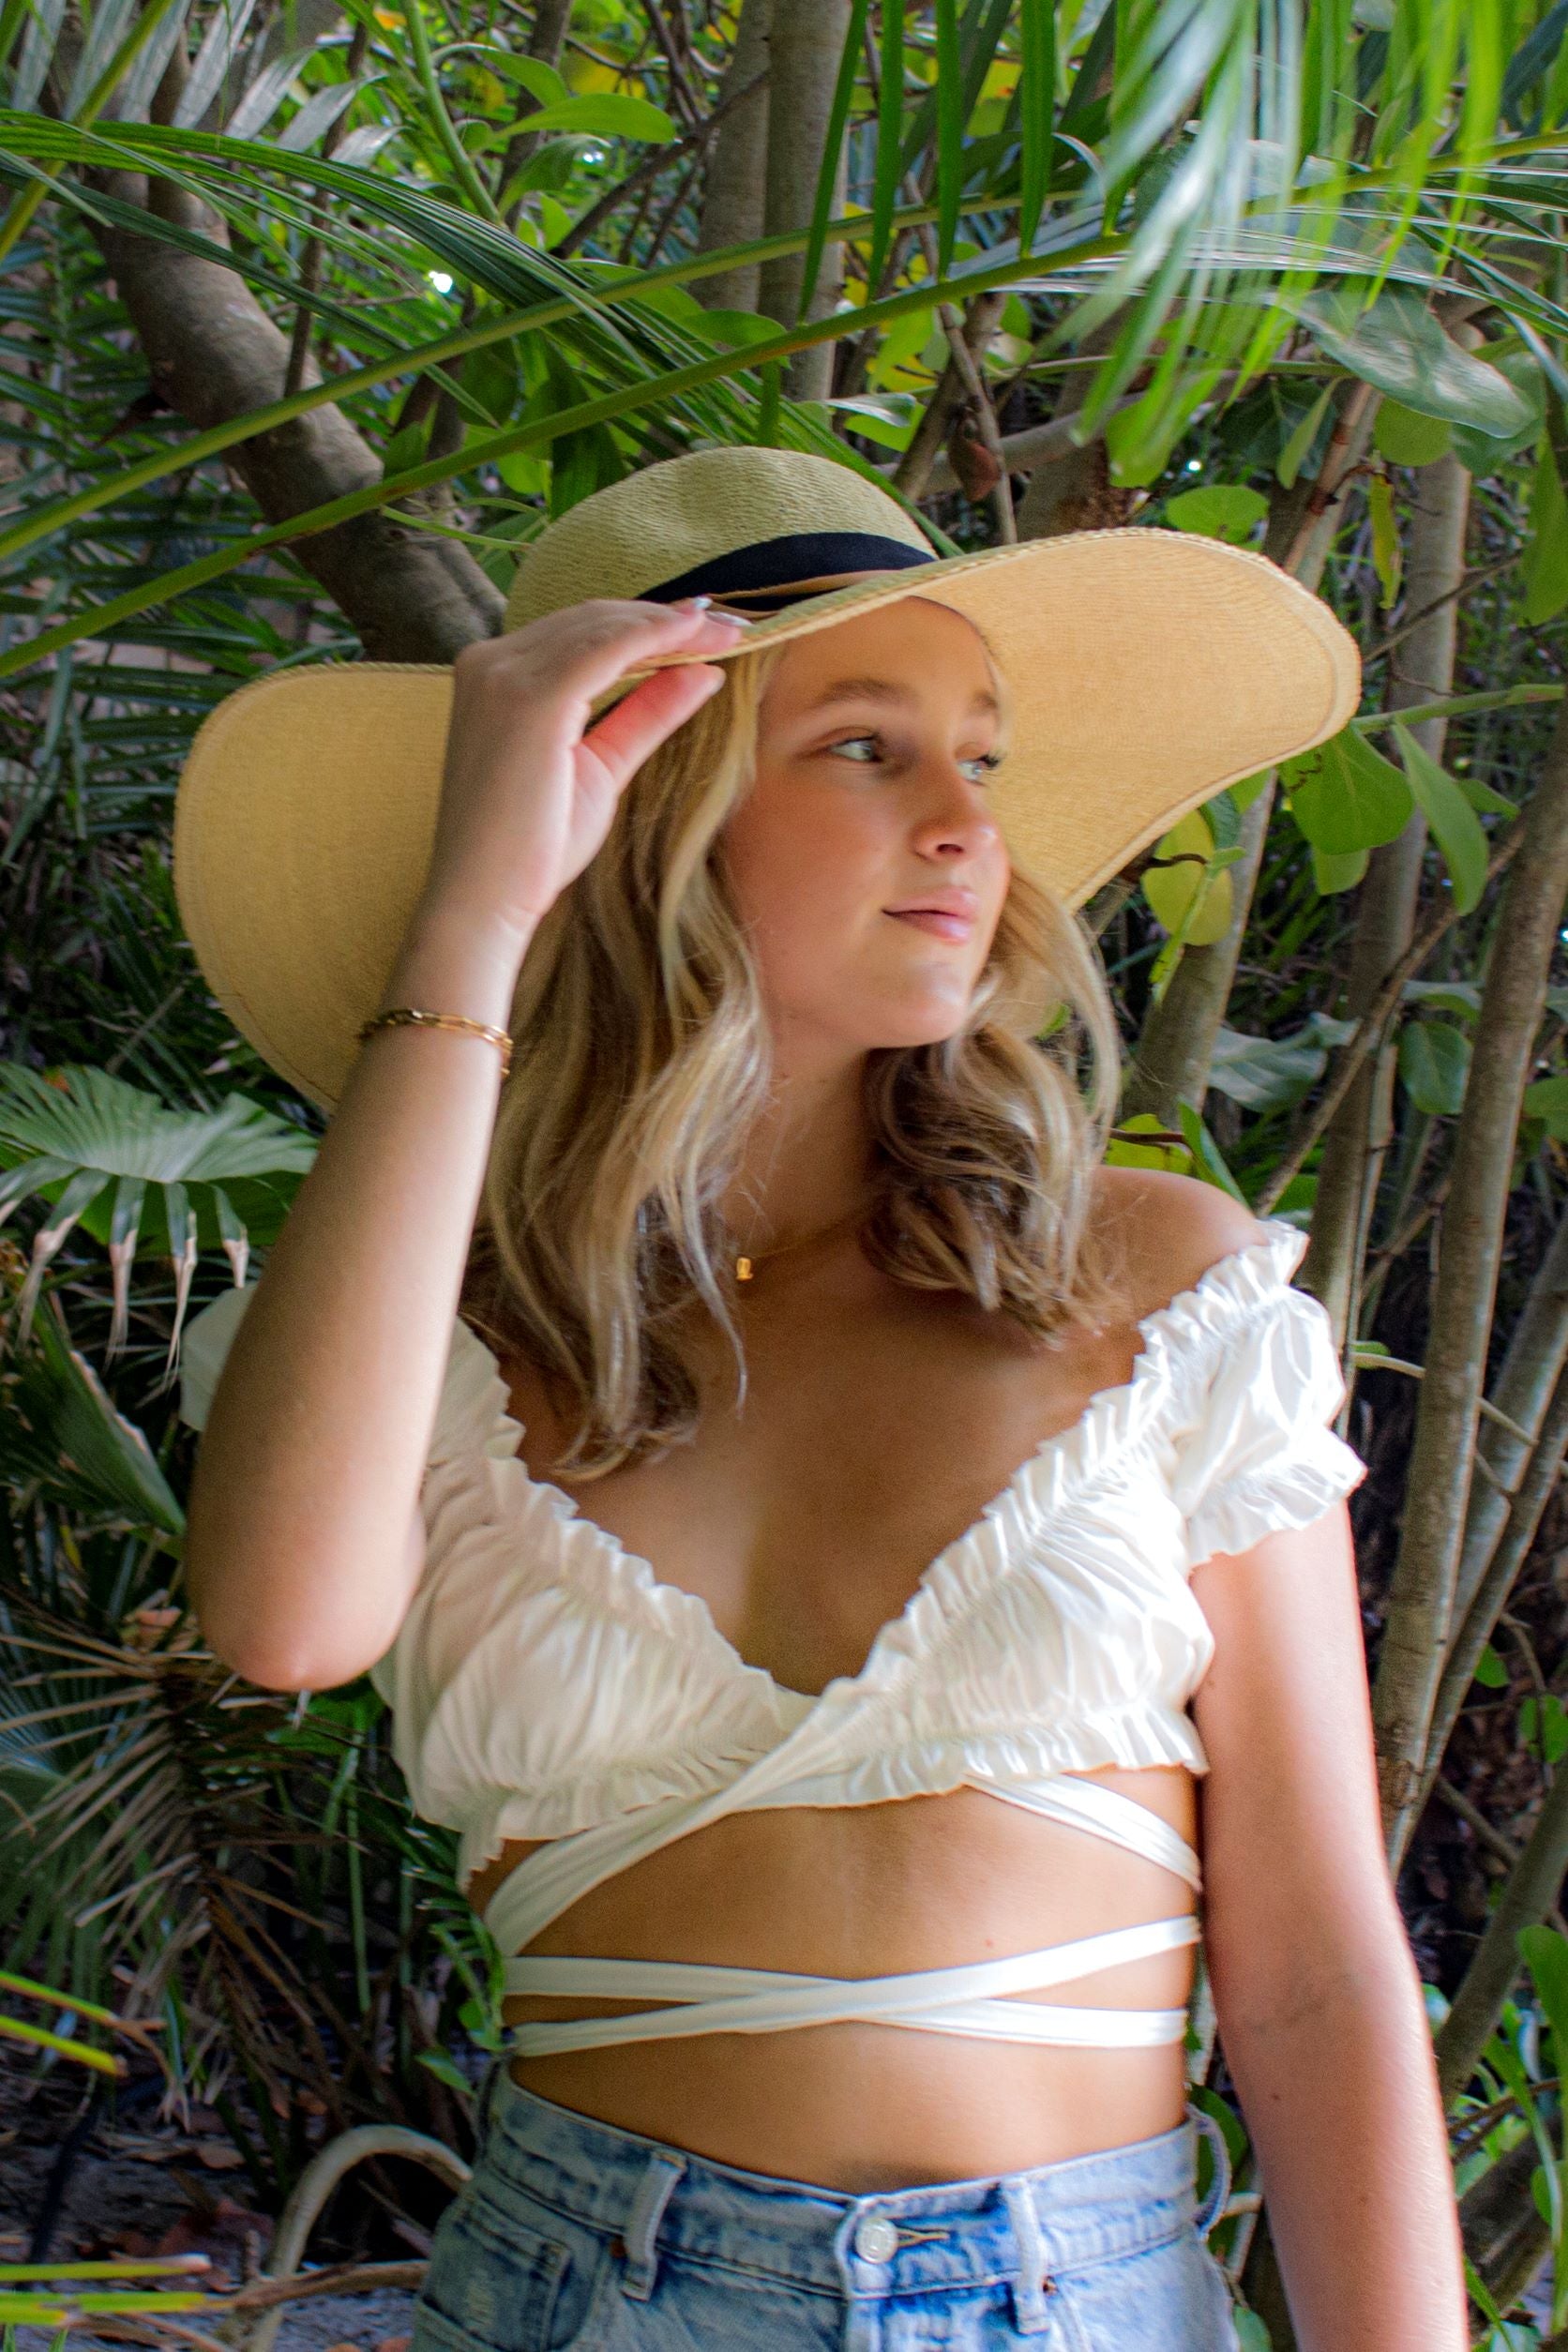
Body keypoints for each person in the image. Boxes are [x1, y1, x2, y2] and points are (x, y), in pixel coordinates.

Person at [173, 446, 1468, 2348]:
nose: (965, 823)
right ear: (633, 812)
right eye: (864, 747)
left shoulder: (1150, 1284)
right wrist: (473, 921)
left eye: (983, 758)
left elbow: (1312, 1979)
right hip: (582, 2296)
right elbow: (283, 1623)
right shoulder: (443, 1339)